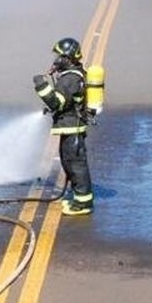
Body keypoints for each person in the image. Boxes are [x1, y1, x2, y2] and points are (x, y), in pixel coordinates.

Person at [33, 38, 94, 216]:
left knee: (75, 165)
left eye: (59, 56)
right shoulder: (71, 75)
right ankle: (79, 196)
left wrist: (41, 85)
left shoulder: (70, 79)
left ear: (67, 58)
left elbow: (57, 103)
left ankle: (83, 203)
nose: (56, 59)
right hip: (69, 128)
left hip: (72, 128)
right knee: (69, 163)